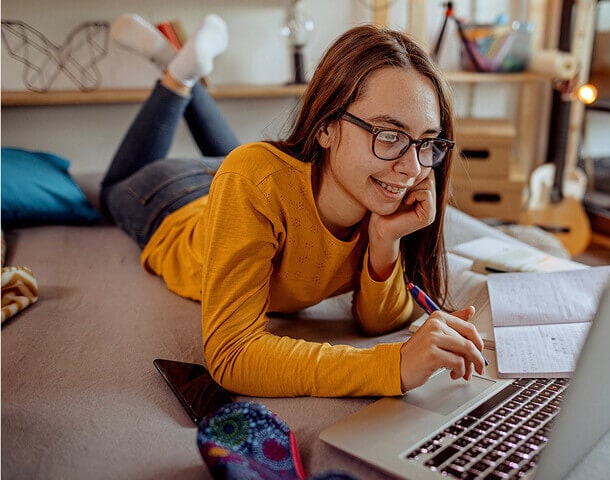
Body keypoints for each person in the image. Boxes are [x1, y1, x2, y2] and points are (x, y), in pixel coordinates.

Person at [102, 13, 487, 398]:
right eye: (388, 135)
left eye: (428, 142)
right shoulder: (252, 180)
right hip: (175, 202)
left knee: (240, 160)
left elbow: (379, 322)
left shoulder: (378, 195)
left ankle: (183, 65)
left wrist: (385, 238)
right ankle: (176, 74)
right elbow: (232, 355)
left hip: (238, 177)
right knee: (113, 188)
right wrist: (393, 366)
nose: (413, 168)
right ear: (324, 127)